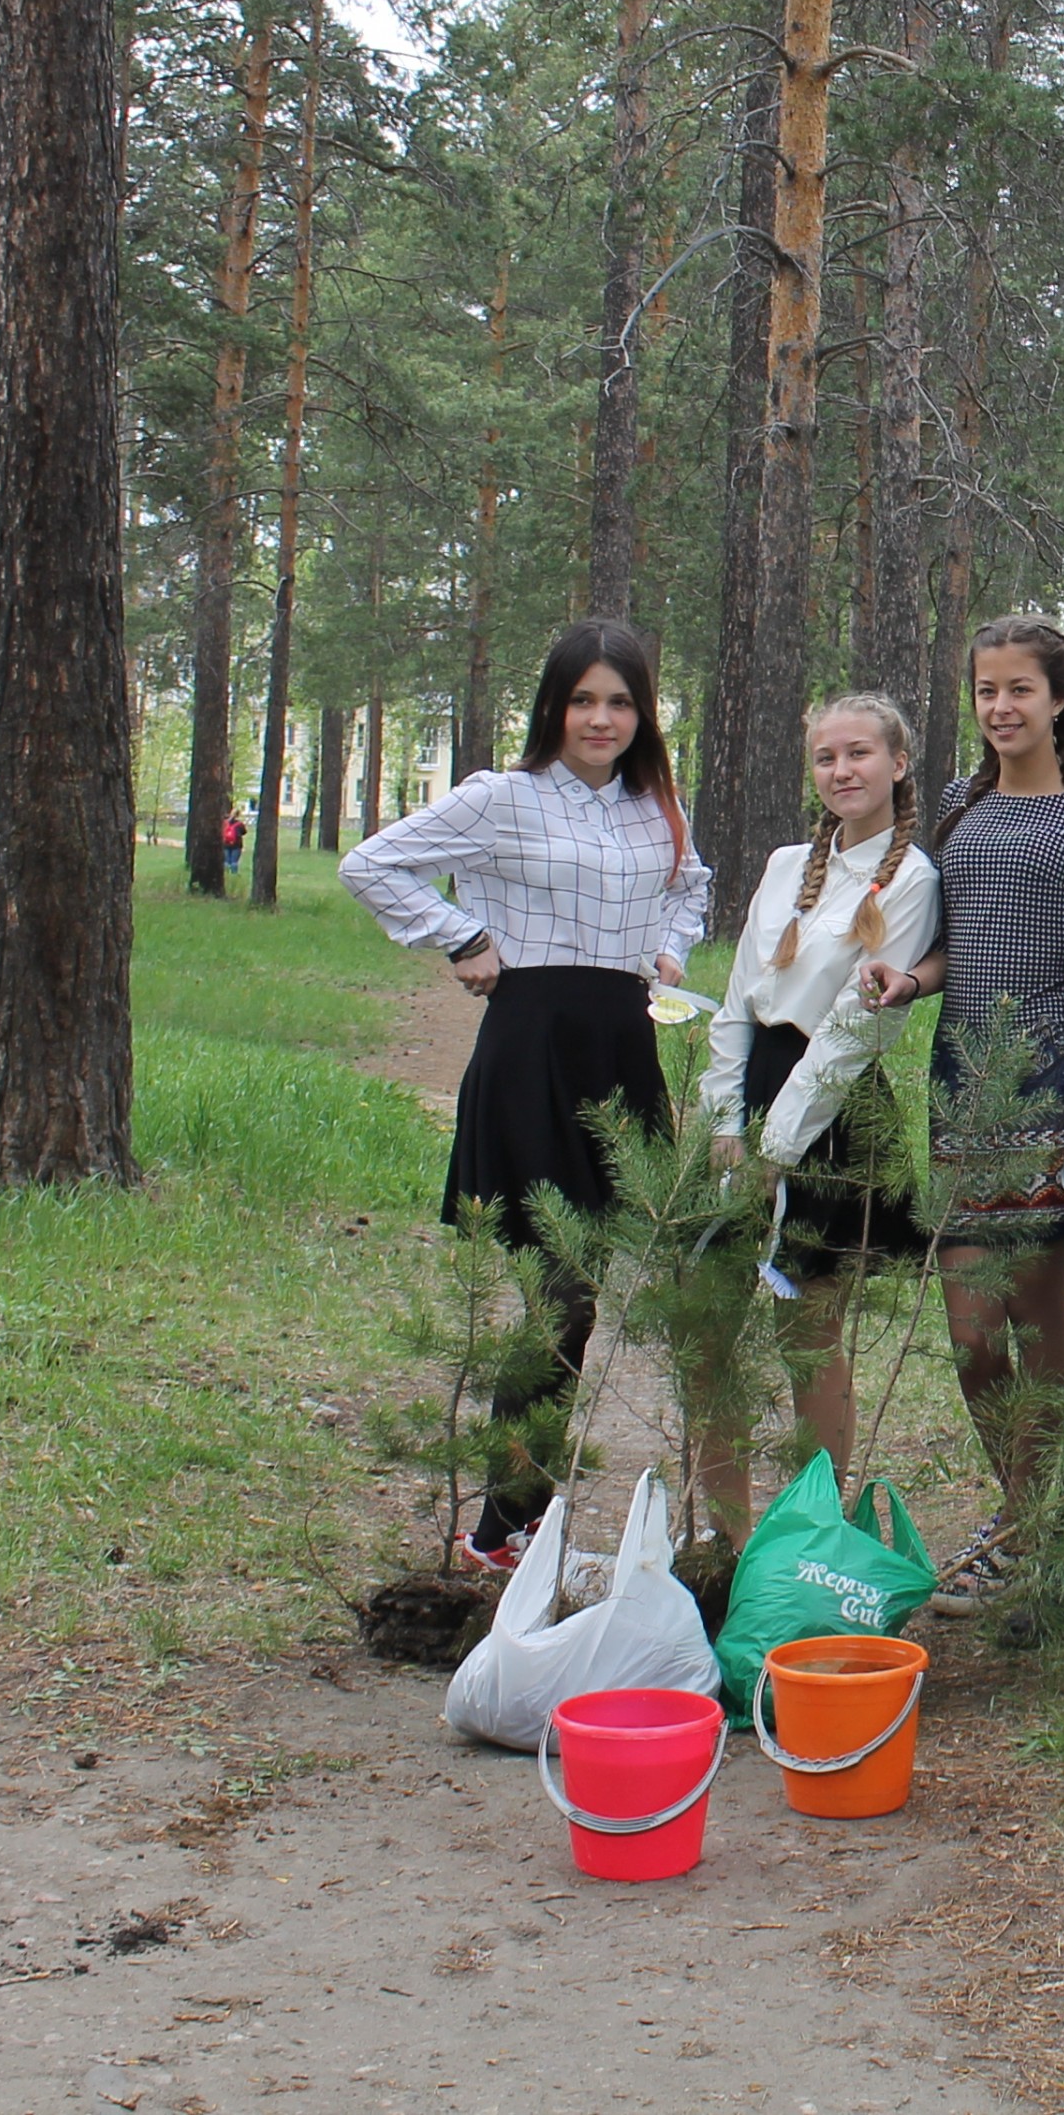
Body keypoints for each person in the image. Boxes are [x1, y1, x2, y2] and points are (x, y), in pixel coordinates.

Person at [341, 619, 708, 1571]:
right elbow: (371, 863)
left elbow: (692, 886)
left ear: (642, 713)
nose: (601, 718)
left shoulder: (655, 804)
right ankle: (508, 1525)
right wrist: (461, 938)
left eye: (619, 701)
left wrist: (669, 949)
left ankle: (519, 1518)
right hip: (532, 1044)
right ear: (553, 704)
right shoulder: (500, 798)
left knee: (584, 1284)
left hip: (625, 1047)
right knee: (560, 1289)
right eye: (583, 699)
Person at [862, 619, 1064, 1625]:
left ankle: (1028, 1533)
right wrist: (905, 980)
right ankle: (1027, 1513)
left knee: (1034, 1316)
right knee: (971, 1333)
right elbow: (943, 952)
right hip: (956, 1079)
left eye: (1019, 689)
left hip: (1051, 1082)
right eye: (985, 690)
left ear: (1058, 699)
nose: (1000, 708)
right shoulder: (954, 803)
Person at [697, 693, 941, 1540]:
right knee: (709, 1317)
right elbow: (737, 1000)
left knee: (808, 1323)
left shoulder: (911, 880)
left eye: (860, 754)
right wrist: (725, 1120)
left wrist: (777, 1146)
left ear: (898, 763)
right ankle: (722, 1538)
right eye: (826, 757)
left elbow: (851, 1030)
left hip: (826, 1110)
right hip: (747, 1097)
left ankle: (813, 1532)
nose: (842, 771)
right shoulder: (781, 865)